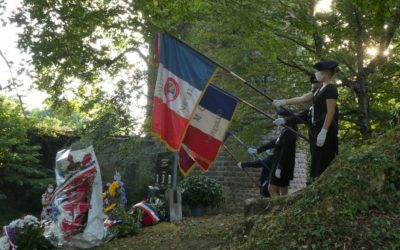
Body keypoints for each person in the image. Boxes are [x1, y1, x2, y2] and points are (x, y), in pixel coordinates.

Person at [272, 60, 339, 181]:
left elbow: (331, 112)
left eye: (321, 71)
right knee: (316, 161)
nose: (318, 74)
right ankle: (318, 184)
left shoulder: (331, 89)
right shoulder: (318, 90)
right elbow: (302, 98)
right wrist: (284, 101)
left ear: (328, 73)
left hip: (326, 129)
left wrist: (324, 131)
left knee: (323, 160)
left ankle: (324, 184)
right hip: (316, 129)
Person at [244, 108, 298, 197]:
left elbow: (285, 151)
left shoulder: (290, 132)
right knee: (281, 189)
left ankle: (278, 208)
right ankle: (282, 208)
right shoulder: (285, 130)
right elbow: (274, 142)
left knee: (272, 188)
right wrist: (258, 150)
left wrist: (280, 166)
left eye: (280, 117)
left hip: (282, 165)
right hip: (280, 164)